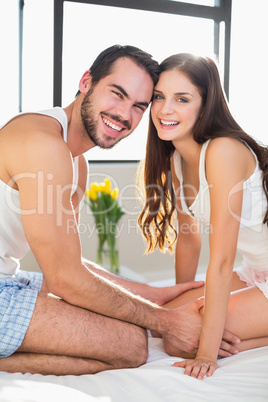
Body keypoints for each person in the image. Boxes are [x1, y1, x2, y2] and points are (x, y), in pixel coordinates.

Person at [0, 44, 237, 376]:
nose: (125, 115)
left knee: (125, 324)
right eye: (117, 94)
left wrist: (152, 293)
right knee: (131, 344)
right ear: (86, 82)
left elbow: (65, 263)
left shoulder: (75, 163)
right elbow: (65, 281)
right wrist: (166, 321)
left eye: (139, 105)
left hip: (9, 279)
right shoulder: (44, 144)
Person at [138, 52, 268, 380]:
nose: (165, 109)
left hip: (249, 271)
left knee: (183, 344)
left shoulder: (223, 150)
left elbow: (222, 261)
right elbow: (189, 239)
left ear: (205, 104)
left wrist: (206, 353)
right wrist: (182, 304)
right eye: (159, 97)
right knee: (163, 322)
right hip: (257, 270)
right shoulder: (176, 161)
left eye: (182, 99)